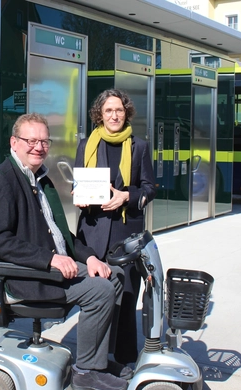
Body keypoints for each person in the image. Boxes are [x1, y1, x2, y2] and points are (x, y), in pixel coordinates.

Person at [0, 113, 132, 390]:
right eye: (31, 141)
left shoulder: (39, 179)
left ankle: (97, 360)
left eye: (44, 141)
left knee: (115, 276)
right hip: (24, 276)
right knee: (100, 290)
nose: (38, 147)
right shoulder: (2, 181)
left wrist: (90, 257)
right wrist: (50, 259)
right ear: (14, 142)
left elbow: (60, 234)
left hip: (48, 267)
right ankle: (86, 373)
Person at [74, 89, 156, 366]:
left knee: (127, 297)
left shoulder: (139, 146)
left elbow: (149, 188)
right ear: (99, 114)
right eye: (108, 110)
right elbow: (78, 182)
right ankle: (95, 359)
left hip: (126, 233)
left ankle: (124, 359)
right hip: (93, 231)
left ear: (126, 112)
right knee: (97, 295)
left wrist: (127, 197)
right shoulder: (86, 145)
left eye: (119, 110)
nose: (114, 115)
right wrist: (79, 196)